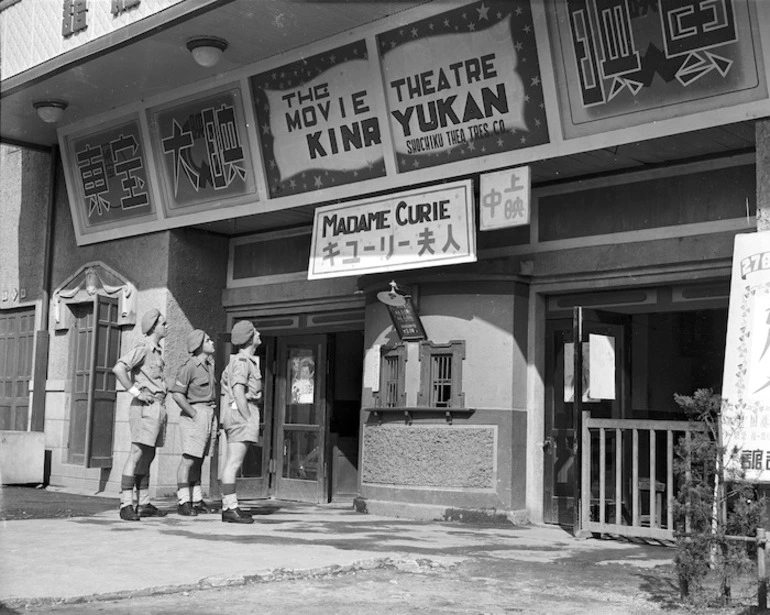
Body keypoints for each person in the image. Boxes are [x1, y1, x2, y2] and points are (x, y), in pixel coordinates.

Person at [112, 308, 169, 521]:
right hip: (145, 407)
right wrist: (135, 392)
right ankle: (126, 504)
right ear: (154, 327)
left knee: (149, 454)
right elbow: (118, 368)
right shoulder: (143, 348)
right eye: (163, 323)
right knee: (136, 453)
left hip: (157, 407)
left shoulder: (157, 351)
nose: (166, 327)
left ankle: (143, 503)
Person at [219, 320, 262, 524]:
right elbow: (237, 390)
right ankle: (230, 507)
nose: (259, 333)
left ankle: (230, 505)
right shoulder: (243, 362)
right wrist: (247, 417)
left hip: (236, 411)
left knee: (233, 462)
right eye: (255, 332)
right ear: (249, 337)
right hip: (241, 412)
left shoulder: (242, 361)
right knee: (234, 462)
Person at [171, 329, 217, 516]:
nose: (212, 341)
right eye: (208, 340)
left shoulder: (209, 366)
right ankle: (183, 501)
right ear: (199, 345)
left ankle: (196, 500)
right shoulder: (189, 367)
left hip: (209, 413)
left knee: (199, 459)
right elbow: (177, 394)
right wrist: (194, 414)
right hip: (195, 414)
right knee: (189, 459)